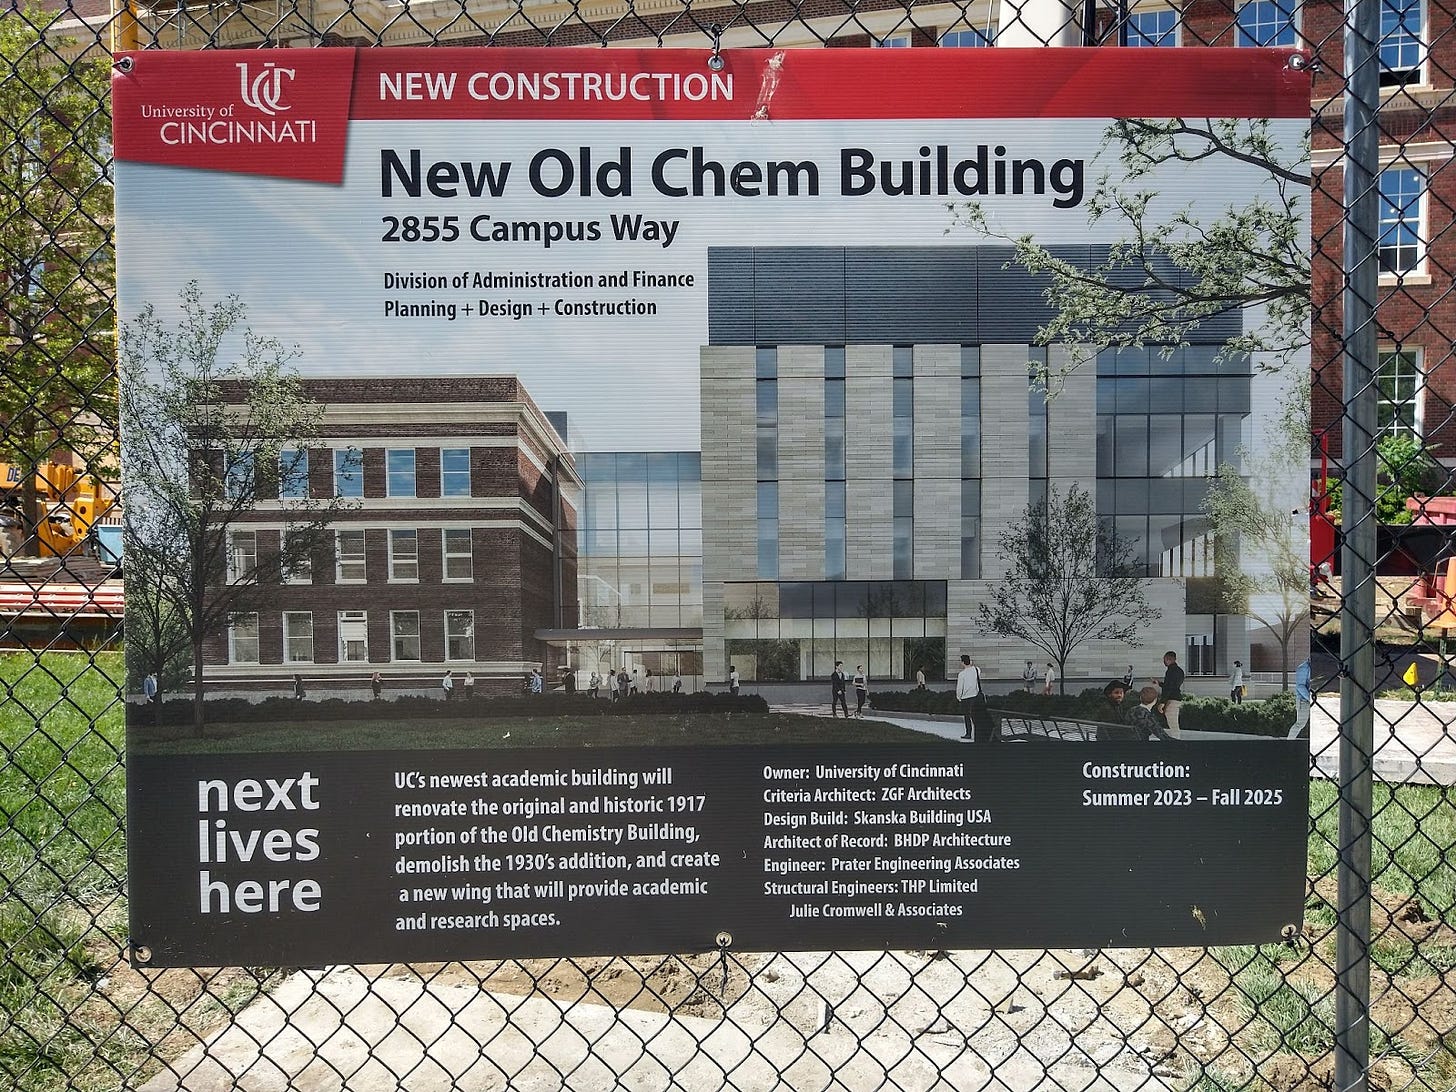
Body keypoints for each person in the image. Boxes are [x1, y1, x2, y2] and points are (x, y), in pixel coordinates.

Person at [956, 654, 985, 742]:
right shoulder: (976, 670)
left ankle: (968, 733)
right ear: (970, 661)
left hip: (965, 697)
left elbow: (960, 687)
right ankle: (979, 734)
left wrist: (959, 697)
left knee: (967, 716)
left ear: (962, 662)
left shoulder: (961, 674)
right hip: (975, 696)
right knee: (975, 716)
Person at [1157, 651, 1185, 737]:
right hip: (1176, 698)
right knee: (1173, 724)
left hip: (1171, 700)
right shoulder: (1180, 671)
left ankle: (1176, 744)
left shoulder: (1171, 671)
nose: (1164, 662)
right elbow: (1172, 686)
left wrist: (1162, 702)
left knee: (1173, 725)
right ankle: (1176, 742)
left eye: (1164, 659)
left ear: (1168, 659)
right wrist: (1160, 683)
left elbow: (1169, 687)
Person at [1290, 659, 1312, 739]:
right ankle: (1289, 742)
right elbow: (1300, 686)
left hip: (1312, 699)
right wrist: (1310, 698)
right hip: (1304, 701)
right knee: (1300, 724)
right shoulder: (1303, 668)